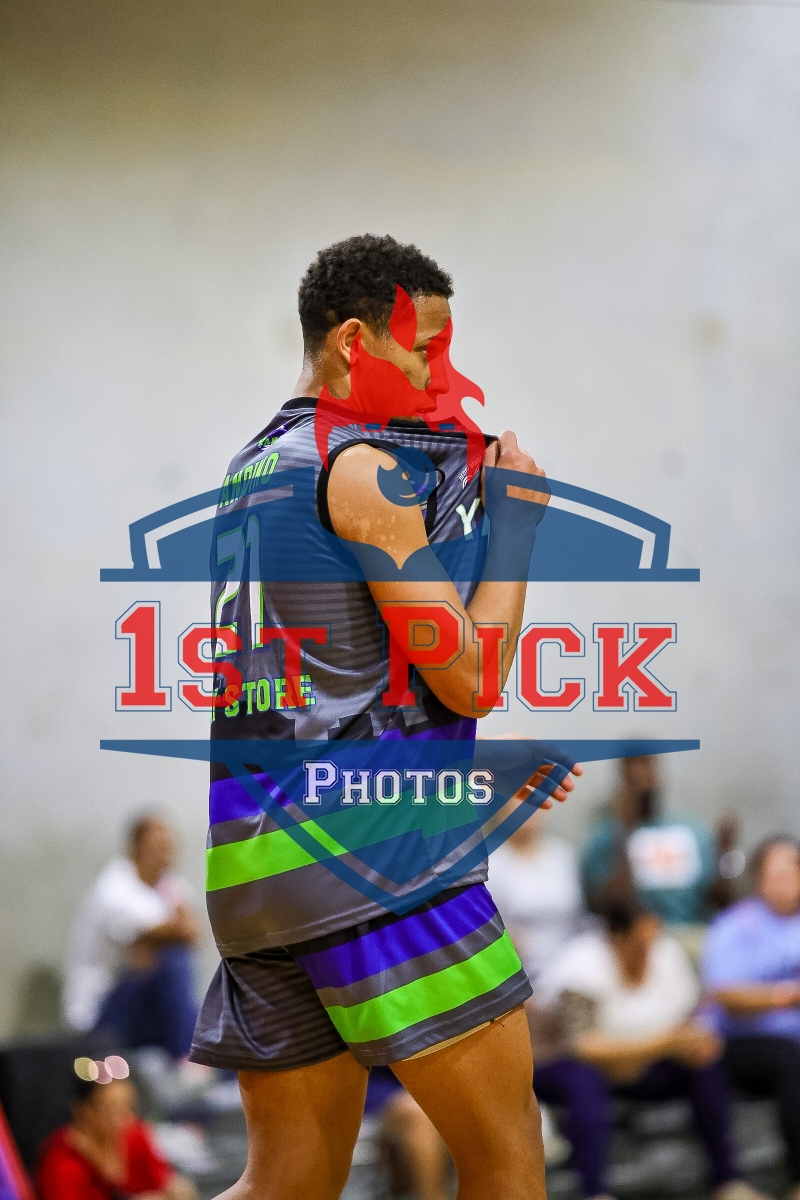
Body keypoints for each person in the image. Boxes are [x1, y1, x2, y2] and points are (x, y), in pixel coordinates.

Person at [188, 233, 581, 1200]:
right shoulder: (361, 468)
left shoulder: (251, 466)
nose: (441, 376)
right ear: (354, 342)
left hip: (254, 873)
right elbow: (470, 678)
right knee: (506, 1157)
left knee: (283, 1183)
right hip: (376, 860)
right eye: (425, 349)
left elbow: (334, 680)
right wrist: (518, 523)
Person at [533, 896, 762, 1200]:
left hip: (646, 1064)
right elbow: (582, 1046)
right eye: (640, 943)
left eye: (654, 938)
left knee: (705, 1069)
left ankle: (727, 1182)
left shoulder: (666, 953)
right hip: (577, 1067)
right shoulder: (581, 966)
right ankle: (595, 1193)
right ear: (616, 937)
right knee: (583, 1082)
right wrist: (663, 1043)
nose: (649, 949)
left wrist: (694, 1044)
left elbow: (691, 1017)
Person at [702, 836, 800, 1200]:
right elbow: (724, 994)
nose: (782, 883)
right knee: (791, 1061)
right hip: (744, 1043)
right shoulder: (736, 924)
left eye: (789, 873)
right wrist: (785, 996)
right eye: (774, 875)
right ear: (758, 879)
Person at [64, 815, 200, 1059]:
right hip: (100, 1013)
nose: (164, 857)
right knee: (174, 961)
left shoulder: (167, 884)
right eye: (157, 848)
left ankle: (195, 1061)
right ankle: (186, 1058)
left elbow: (192, 933)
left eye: (168, 850)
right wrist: (172, 930)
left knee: (215, 1013)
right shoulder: (113, 887)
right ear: (135, 848)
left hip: (141, 1008)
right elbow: (171, 934)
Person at [581, 755, 718, 926]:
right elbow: (605, 904)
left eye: (648, 768)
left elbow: (714, 897)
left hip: (689, 930)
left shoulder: (691, 830)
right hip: (636, 934)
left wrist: (723, 853)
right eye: (634, 776)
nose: (643, 778)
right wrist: (624, 831)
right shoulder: (605, 836)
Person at [36, 1074, 196, 1200]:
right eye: (113, 1110)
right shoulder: (61, 1160)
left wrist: (176, 1188)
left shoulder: (134, 1135)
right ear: (84, 1110)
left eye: (128, 1107)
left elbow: (162, 1180)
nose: (126, 1118)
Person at [489, 806, 584, 982]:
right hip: (522, 962)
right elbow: (489, 927)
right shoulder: (493, 864)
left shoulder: (562, 854)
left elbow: (578, 913)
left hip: (569, 953)